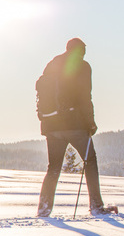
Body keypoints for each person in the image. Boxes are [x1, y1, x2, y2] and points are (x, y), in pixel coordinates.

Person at [36, 38, 111, 217]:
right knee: (90, 162)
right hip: (75, 124)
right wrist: (90, 122)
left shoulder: (52, 64)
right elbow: (85, 96)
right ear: (81, 51)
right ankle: (96, 206)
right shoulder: (83, 66)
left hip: (52, 125)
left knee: (53, 168)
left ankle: (44, 209)